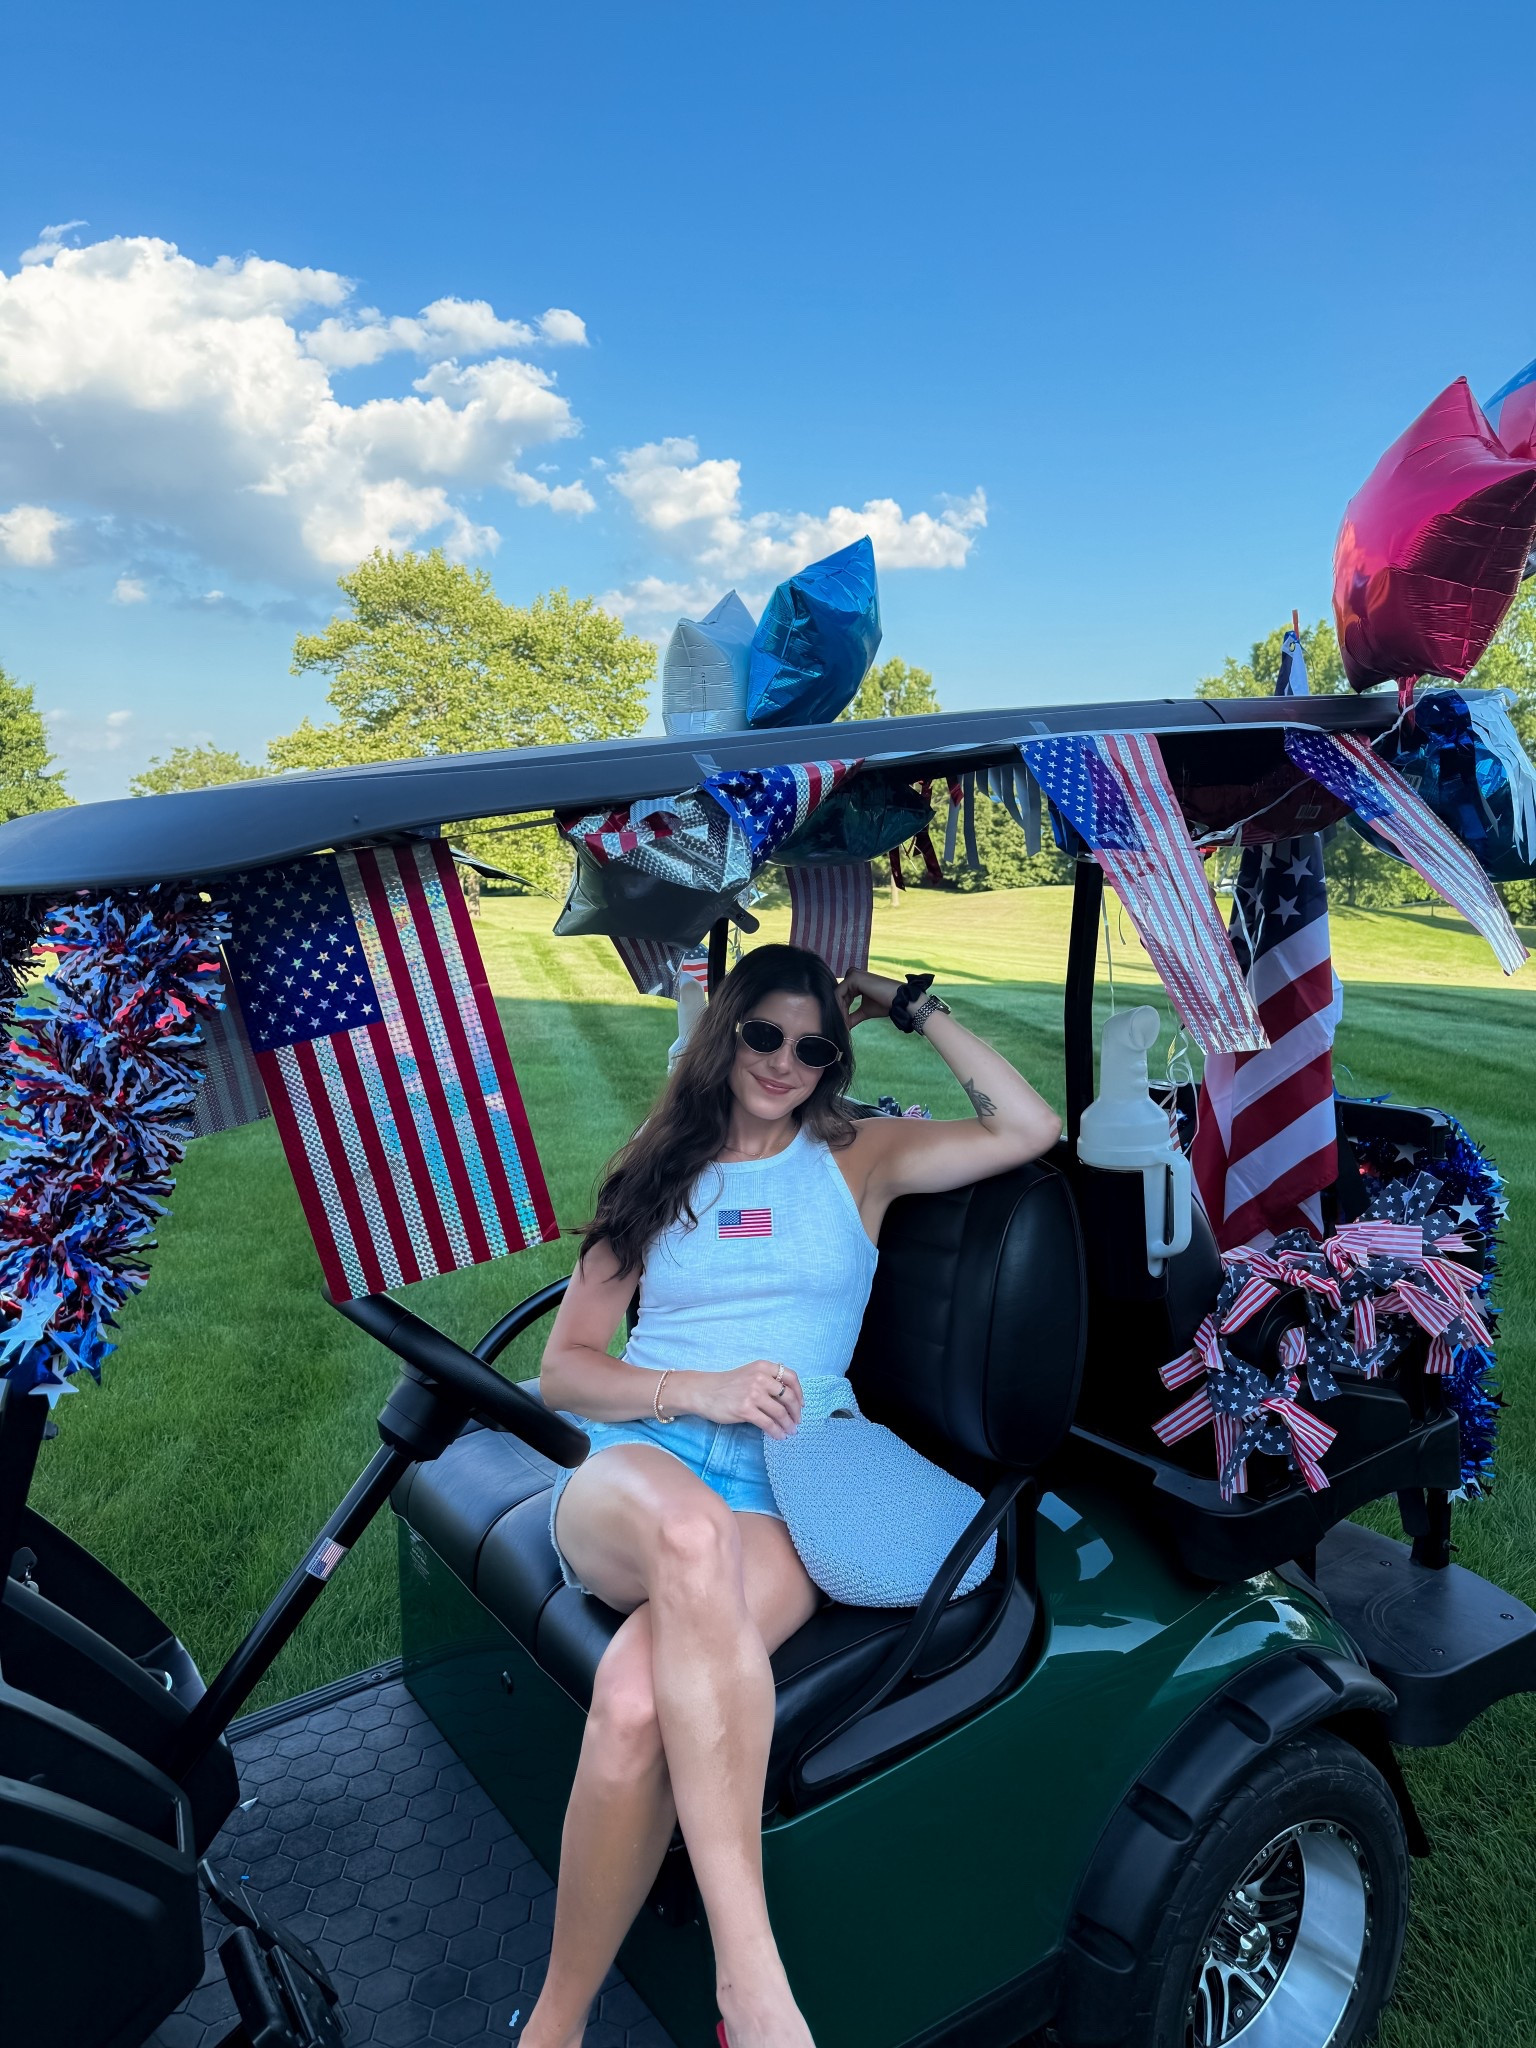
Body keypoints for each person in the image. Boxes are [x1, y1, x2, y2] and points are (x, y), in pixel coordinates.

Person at [523, 946, 1061, 2048]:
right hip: (642, 1459)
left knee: (634, 1702)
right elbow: (567, 1365)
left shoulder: (858, 1156)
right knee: (685, 1531)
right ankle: (749, 1974)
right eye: (763, 1033)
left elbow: (1027, 1126)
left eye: (813, 1044)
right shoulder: (657, 1161)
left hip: (789, 1483)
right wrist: (698, 1386)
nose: (784, 1061)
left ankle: (553, 2026)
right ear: (725, 1029)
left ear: (835, 1057)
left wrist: (916, 1007)